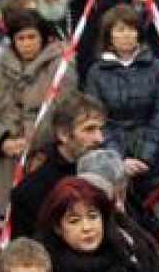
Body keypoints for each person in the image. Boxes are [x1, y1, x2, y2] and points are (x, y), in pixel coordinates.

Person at [0, 9, 63, 209]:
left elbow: (61, 111)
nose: (26, 43)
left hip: (43, 156)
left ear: (43, 37)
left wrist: (35, 144)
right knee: (7, 210)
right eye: (21, 38)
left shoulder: (60, 67)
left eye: (32, 37)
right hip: (6, 157)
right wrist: (2, 141)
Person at [84, 4, 159, 188]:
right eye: (121, 30)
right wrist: (119, 158)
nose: (127, 35)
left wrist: (145, 157)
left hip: (152, 156)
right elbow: (97, 119)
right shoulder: (96, 72)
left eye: (132, 29)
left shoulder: (157, 67)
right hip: (111, 155)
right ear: (109, 35)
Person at [37, 177, 146, 272]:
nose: (87, 227)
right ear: (57, 227)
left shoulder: (125, 254)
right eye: (74, 221)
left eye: (93, 216)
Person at [8, 92, 106, 239]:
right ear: (63, 134)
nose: (100, 138)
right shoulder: (32, 191)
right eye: (89, 129)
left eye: (100, 129)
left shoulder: (106, 174)